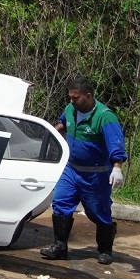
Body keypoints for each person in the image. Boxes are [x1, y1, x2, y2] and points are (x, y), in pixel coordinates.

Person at [40, 76, 128, 265]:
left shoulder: (105, 116)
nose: (72, 101)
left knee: (98, 211)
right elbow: (63, 123)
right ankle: (60, 246)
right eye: (70, 97)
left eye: (76, 97)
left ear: (88, 96)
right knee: (61, 203)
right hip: (71, 169)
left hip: (95, 174)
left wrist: (117, 168)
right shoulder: (71, 109)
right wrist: (52, 133)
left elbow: (116, 143)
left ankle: (105, 250)